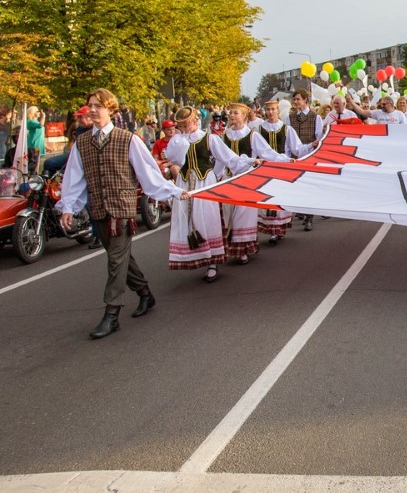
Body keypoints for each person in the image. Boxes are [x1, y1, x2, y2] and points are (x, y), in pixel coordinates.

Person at [56, 89, 189, 339]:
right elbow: (74, 177)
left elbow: (148, 173)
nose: (92, 110)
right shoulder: (82, 143)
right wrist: (68, 207)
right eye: (90, 105)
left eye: (98, 106)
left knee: (116, 260)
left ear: (111, 110)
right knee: (120, 257)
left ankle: (111, 314)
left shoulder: (128, 139)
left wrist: (173, 191)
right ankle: (145, 294)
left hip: (122, 210)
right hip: (98, 208)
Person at [165, 106, 255, 283]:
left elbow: (229, 158)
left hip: (204, 182)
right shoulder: (177, 140)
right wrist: (180, 140)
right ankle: (199, 256)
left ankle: (212, 262)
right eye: (180, 126)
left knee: (207, 218)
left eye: (186, 125)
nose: (183, 129)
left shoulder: (209, 138)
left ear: (194, 121)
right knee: (189, 220)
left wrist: (251, 161)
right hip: (184, 184)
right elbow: (175, 159)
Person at [253, 100, 304, 244]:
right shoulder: (259, 130)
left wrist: (310, 147)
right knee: (267, 197)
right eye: (268, 109)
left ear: (278, 111)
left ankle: (278, 229)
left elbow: (297, 148)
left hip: (282, 167)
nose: (270, 112)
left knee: (279, 197)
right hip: (265, 168)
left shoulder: (286, 129)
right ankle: (272, 230)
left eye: (273, 109)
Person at [217, 102, 262, 265]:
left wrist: (285, 160)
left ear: (244, 116)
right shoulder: (225, 135)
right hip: (228, 178)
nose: (231, 115)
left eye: (235, 113)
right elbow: (220, 159)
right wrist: (215, 176)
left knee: (243, 214)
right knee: (228, 212)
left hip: (246, 179)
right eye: (230, 113)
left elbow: (267, 152)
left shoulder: (252, 135)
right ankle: (232, 247)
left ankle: (243, 249)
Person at [287, 89, 324, 231]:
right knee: (297, 186)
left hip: (310, 156)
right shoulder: (290, 118)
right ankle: (301, 209)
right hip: (295, 157)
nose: (295, 102)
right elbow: (287, 139)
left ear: (305, 100)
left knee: (309, 187)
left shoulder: (315, 117)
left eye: (298, 99)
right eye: (294, 99)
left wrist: (314, 150)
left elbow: (319, 137)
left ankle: (309, 217)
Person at [24, 105, 46, 174]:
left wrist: (46, 145)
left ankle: (35, 175)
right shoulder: (30, 122)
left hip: (39, 145)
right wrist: (43, 116)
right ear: (33, 113)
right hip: (35, 145)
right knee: (35, 162)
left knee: (37, 162)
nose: (39, 112)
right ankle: (33, 176)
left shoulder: (36, 122)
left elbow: (41, 133)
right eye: (37, 111)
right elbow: (40, 125)